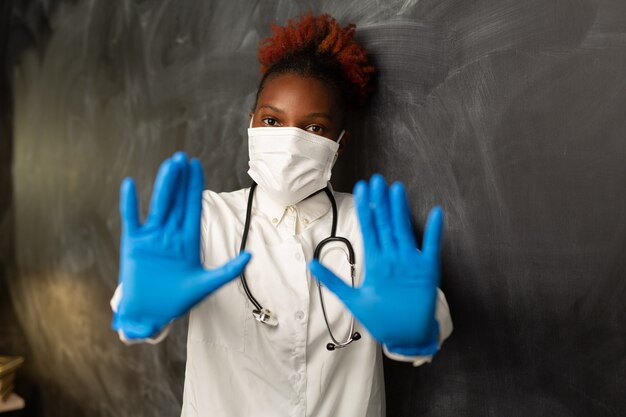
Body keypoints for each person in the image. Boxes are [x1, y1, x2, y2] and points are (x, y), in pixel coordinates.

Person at [111, 13, 452, 417]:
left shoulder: (369, 225)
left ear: (339, 145)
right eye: (272, 120)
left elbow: (419, 308)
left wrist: (419, 330)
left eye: (315, 128)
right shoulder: (204, 219)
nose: (290, 140)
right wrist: (141, 313)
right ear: (250, 125)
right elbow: (133, 307)